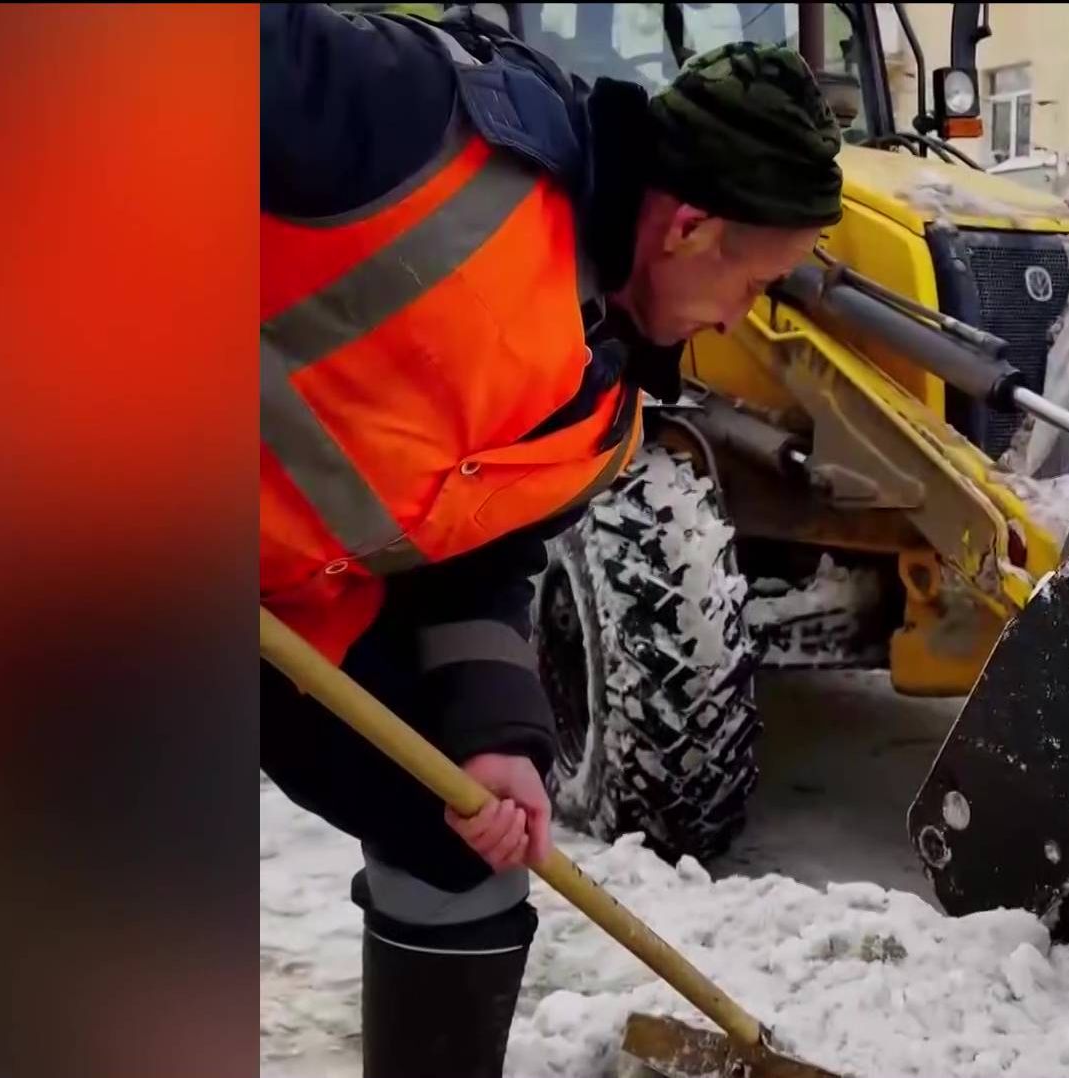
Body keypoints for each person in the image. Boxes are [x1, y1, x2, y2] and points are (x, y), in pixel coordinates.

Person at [259, 6, 843, 1075]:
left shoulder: (599, 396)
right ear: (687, 227)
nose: (737, 322)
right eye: (754, 285)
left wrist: (497, 733)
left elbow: (481, 552)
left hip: (288, 608)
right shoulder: (430, 137)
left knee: (457, 835)